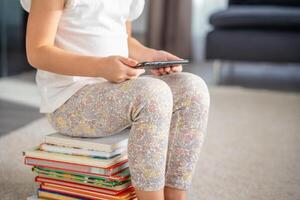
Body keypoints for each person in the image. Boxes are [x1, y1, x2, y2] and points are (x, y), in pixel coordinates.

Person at [20, 0, 210, 199]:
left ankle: (175, 196)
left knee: (192, 89)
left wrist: (151, 55)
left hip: (114, 89)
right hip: (68, 100)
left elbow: (124, 38)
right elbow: (38, 51)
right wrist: (100, 67)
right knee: (153, 93)